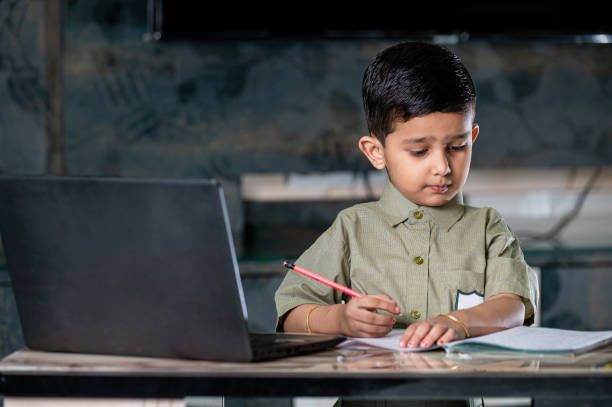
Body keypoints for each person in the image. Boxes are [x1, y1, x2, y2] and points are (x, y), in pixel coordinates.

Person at [274, 41, 539, 407]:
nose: (442, 167)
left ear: (472, 137)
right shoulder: (352, 227)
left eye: (457, 146)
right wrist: (340, 319)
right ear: (376, 152)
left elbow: (512, 306)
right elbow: (292, 314)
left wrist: (459, 322)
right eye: (420, 151)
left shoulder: (488, 227)